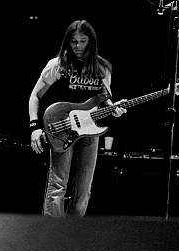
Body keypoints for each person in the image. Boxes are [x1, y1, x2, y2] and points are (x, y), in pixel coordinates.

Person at [29, 19, 126, 217]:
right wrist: (34, 127)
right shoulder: (57, 65)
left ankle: (73, 237)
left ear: (91, 42)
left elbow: (105, 100)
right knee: (57, 185)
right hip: (62, 128)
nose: (78, 46)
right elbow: (35, 96)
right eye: (74, 41)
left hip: (90, 129)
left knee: (83, 191)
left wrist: (113, 109)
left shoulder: (102, 68)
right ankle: (52, 236)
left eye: (83, 41)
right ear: (67, 42)